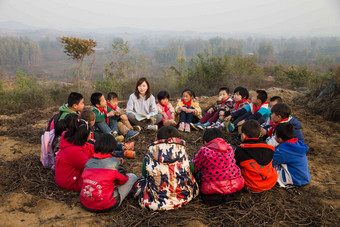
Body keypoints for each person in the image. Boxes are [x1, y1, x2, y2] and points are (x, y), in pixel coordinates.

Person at [133, 126, 199, 210]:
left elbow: (144, 173)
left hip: (156, 201)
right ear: (177, 139)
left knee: (138, 182)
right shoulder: (183, 151)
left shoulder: (150, 154)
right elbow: (192, 169)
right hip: (184, 196)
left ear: (156, 139)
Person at [80, 134, 138, 212]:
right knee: (132, 177)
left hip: (86, 203)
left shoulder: (88, 162)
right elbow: (123, 180)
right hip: (108, 204)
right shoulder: (115, 162)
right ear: (112, 147)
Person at [193, 129, 244, 205]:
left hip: (212, 191)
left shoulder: (204, 151)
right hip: (235, 186)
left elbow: (194, 168)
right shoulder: (229, 149)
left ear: (205, 142)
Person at [234, 120, 277, 192]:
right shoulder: (268, 148)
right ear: (260, 134)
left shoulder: (240, 150)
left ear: (243, 135)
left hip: (252, 186)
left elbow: (237, 167)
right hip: (271, 182)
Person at [55, 118, 94, 192]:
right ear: (83, 135)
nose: (91, 134)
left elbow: (93, 147)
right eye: (89, 132)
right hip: (71, 182)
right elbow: (91, 167)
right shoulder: (74, 152)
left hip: (74, 176)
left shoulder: (74, 142)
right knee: (103, 178)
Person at [272, 123, 311, 188]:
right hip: (302, 176)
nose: (274, 136)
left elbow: (267, 160)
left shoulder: (284, 151)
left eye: (275, 135)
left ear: (280, 139)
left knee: (267, 170)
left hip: (295, 178)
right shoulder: (295, 144)